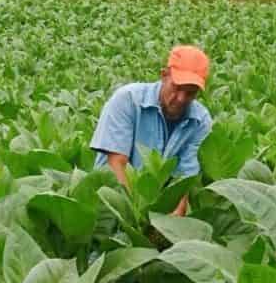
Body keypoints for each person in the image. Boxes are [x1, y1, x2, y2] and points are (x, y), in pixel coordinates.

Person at [90, 45, 212, 215]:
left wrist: (170, 224)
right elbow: (117, 164)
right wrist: (137, 217)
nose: (181, 99)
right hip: (110, 206)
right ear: (164, 75)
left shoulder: (200, 121)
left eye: (191, 93)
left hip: (157, 213)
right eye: (177, 88)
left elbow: (183, 181)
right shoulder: (128, 100)